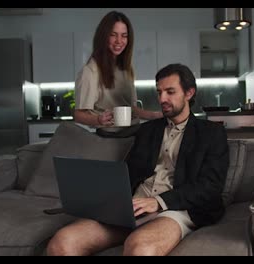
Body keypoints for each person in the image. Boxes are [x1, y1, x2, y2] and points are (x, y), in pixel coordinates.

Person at [47, 63, 229, 256]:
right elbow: (128, 172)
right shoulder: (147, 130)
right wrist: (105, 199)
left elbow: (210, 187)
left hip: (176, 209)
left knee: (140, 248)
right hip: (133, 207)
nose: (162, 99)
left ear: (189, 93)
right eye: (159, 92)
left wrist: (158, 202)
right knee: (62, 242)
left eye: (170, 92)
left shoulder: (211, 133)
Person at [74, 11, 162, 128]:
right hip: (109, 138)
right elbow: (78, 114)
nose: (119, 41)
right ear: (103, 37)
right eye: (113, 35)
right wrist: (99, 119)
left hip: (131, 133)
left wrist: (155, 115)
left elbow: (131, 109)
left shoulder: (126, 68)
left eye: (124, 36)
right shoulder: (90, 71)